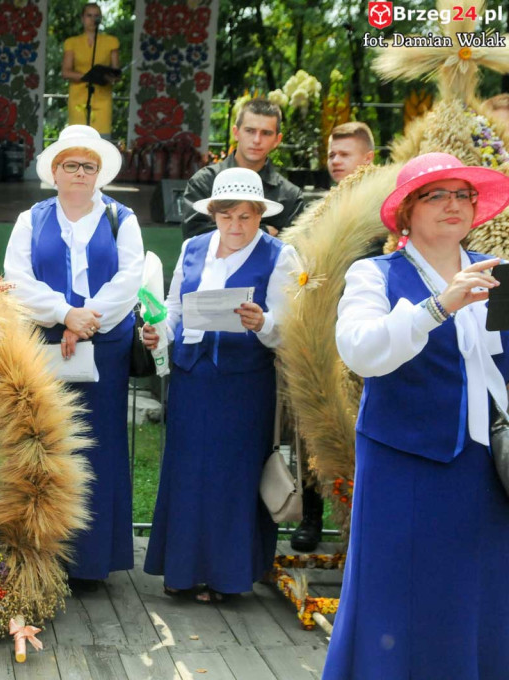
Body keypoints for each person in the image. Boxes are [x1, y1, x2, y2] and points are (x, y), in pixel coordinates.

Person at [323, 152, 509, 679]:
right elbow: (361, 352)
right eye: (437, 195)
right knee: (398, 589)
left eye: (463, 195)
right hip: (404, 462)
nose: (454, 205)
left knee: (477, 590)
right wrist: (438, 307)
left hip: (488, 465)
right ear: (406, 211)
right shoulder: (373, 274)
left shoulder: (498, 273)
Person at [142, 167, 300, 602]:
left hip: (245, 385)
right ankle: (181, 572)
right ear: (212, 213)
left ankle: (227, 578)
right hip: (193, 381)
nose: (235, 226)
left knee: (233, 477)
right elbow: (174, 309)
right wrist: (159, 332)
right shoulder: (194, 248)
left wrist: (262, 322)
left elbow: (291, 328)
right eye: (226, 215)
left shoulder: (280, 256)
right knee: (188, 474)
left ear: (260, 216)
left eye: (245, 217)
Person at [4, 125, 143, 590]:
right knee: (45, 444)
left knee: (97, 447)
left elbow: (129, 279)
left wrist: (88, 320)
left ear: (99, 173)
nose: (80, 173)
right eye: (71, 165)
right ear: (55, 171)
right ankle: (43, 554)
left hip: (104, 348)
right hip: (46, 343)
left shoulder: (122, 218)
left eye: (89, 165)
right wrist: (65, 314)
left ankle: (90, 561)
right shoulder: (32, 218)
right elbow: (16, 278)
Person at [287, 120, 378, 555]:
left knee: (350, 431)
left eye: (344, 154)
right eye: (331, 154)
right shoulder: (317, 208)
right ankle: (310, 518)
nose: (335, 162)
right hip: (317, 335)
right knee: (310, 432)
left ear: (369, 159)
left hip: (362, 337)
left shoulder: (383, 209)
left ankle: (357, 526)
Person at [182, 98, 304, 240]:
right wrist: (263, 231)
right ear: (236, 132)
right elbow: (194, 237)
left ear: (277, 140)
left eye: (266, 133)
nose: (257, 140)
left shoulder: (290, 196)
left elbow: (291, 252)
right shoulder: (204, 182)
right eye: (250, 131)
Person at [61, 3, 120, 136]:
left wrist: (111, 77)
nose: (93, 19)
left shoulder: (111, 41)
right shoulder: (72, 42)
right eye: (89, 15)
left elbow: (116, 72)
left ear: (101, 19)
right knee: (78, 140)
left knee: (101, 140)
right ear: (82, 18)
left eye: (96, 16)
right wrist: (89, 76)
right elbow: (66, 72)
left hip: (102, 98)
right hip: (78, 99)